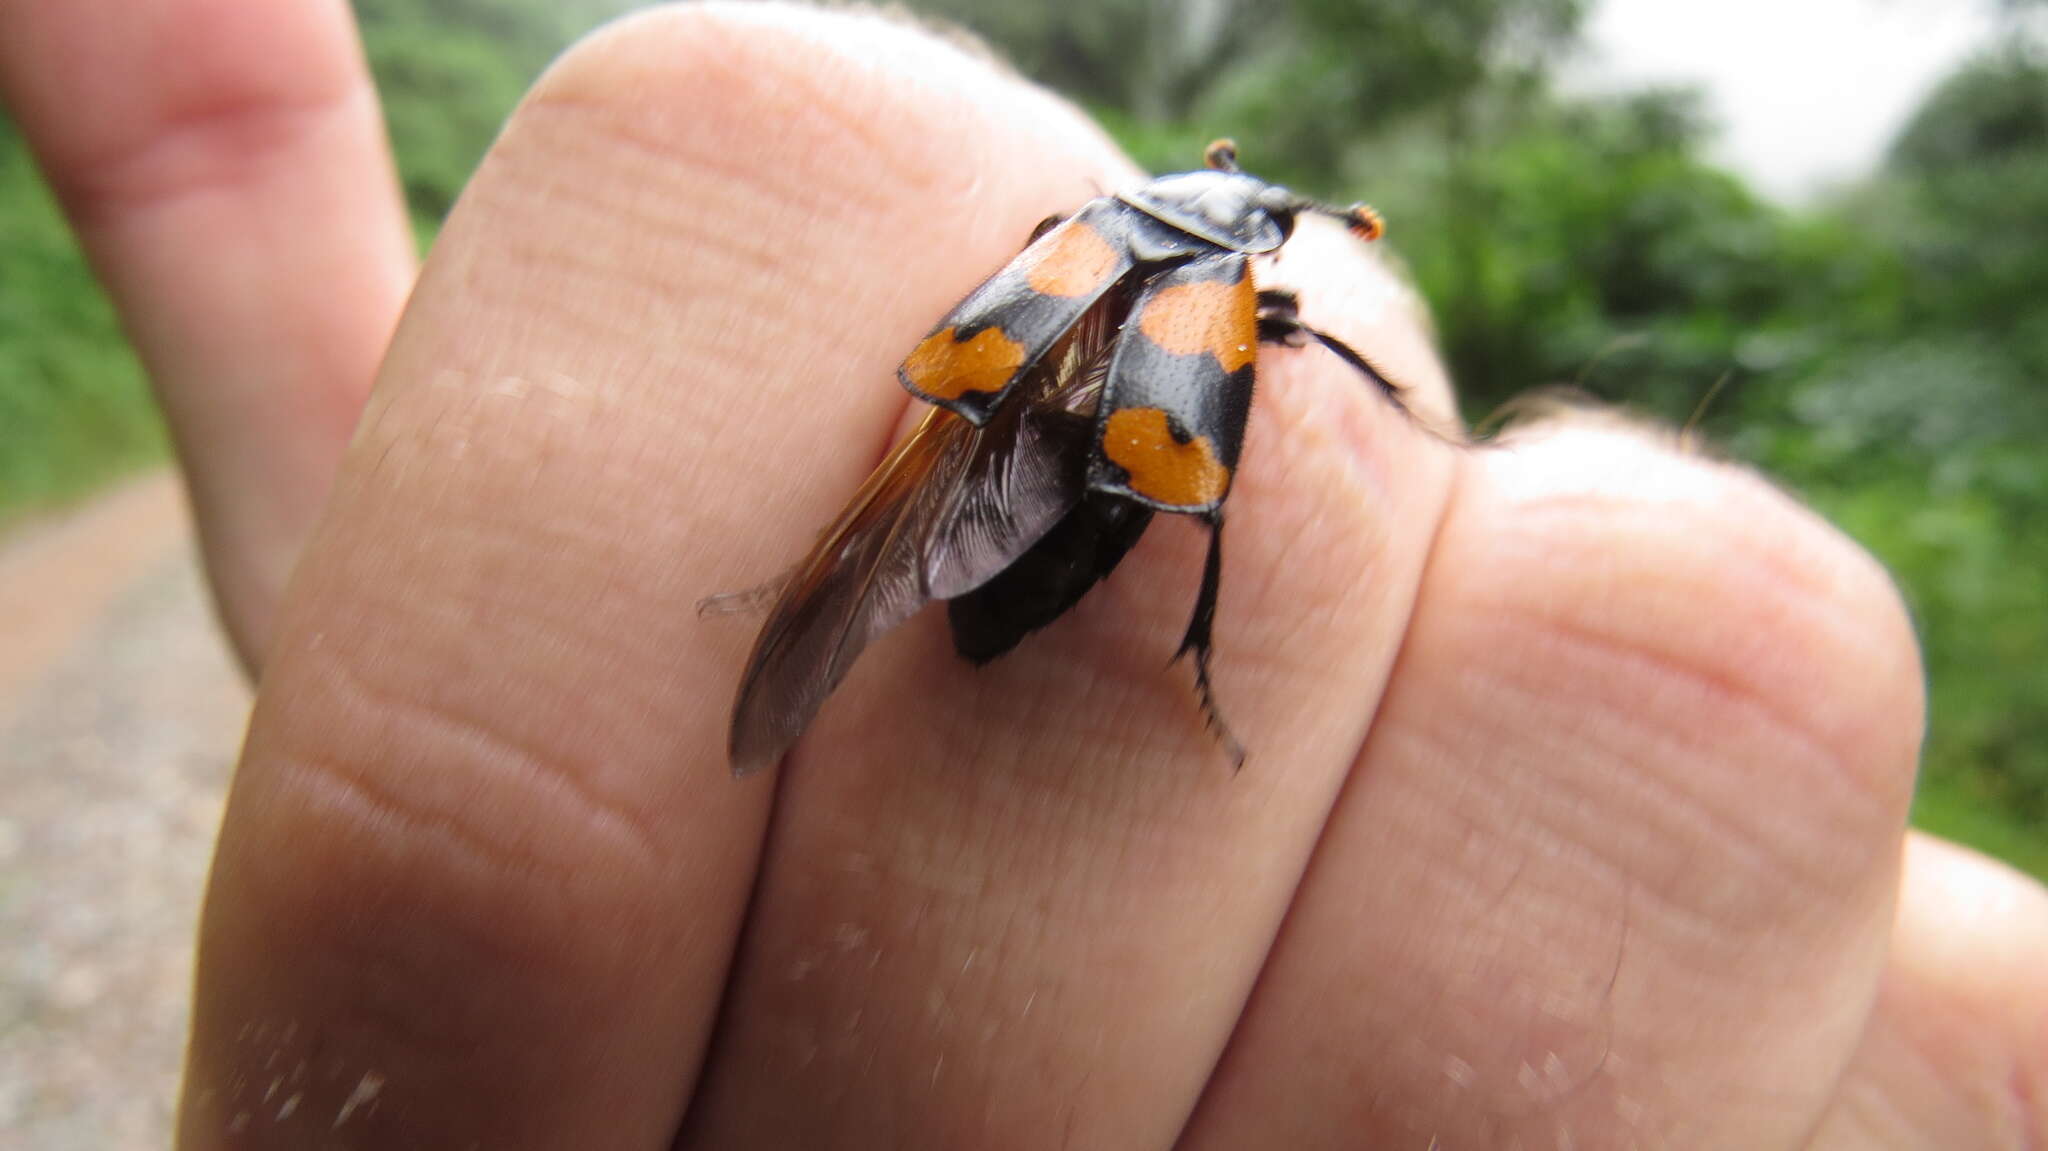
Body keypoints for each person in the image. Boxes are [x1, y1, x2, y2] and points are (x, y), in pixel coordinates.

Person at [3, 2, 2042, 1147]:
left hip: (1037, 471)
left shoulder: (1097, 235)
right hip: (1096, 502)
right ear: (1245, 229)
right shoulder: (1241, 284)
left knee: (1170, 483)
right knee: (1224, 495)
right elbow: (1155, 443)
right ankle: (1173, 663)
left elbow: (983, 382)